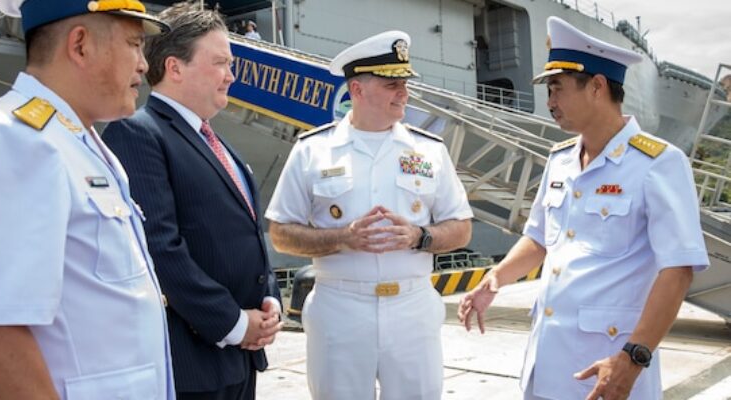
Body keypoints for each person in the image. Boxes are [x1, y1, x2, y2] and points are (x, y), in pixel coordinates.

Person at [0, 0, 173, 399]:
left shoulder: (79, 143)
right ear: (80, 45)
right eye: (133, 44)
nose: (144, 64)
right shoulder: (10, 140)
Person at [459, 16, 709, 400]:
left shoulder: (658, 163)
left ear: (596, 86)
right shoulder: (560, 160)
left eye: (557, 88)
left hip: (610, 369)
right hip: (547, 367)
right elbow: (540, 238)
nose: (550, 102)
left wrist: (633, 358)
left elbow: (677, 270)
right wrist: (496, 277)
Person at [265, 31, 474, 399]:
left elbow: (460, 228)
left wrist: (419, 237)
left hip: (412, 309)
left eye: (405, 84)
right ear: (358, 90)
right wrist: (342, 237)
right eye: (392, 84)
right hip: (339, 309)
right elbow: (280, 233)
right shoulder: (313, 151)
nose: (404, 93)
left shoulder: (430, 151)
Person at [102, 5, 282, 400]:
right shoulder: (137, 134)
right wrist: (234, 323)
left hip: (240, 358)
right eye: (220, 62)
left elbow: (249, 236)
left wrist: (269, 301)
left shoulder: (224, 149)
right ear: (175, 67)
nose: (231, 75)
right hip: (191, 363)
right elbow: (160, 248)